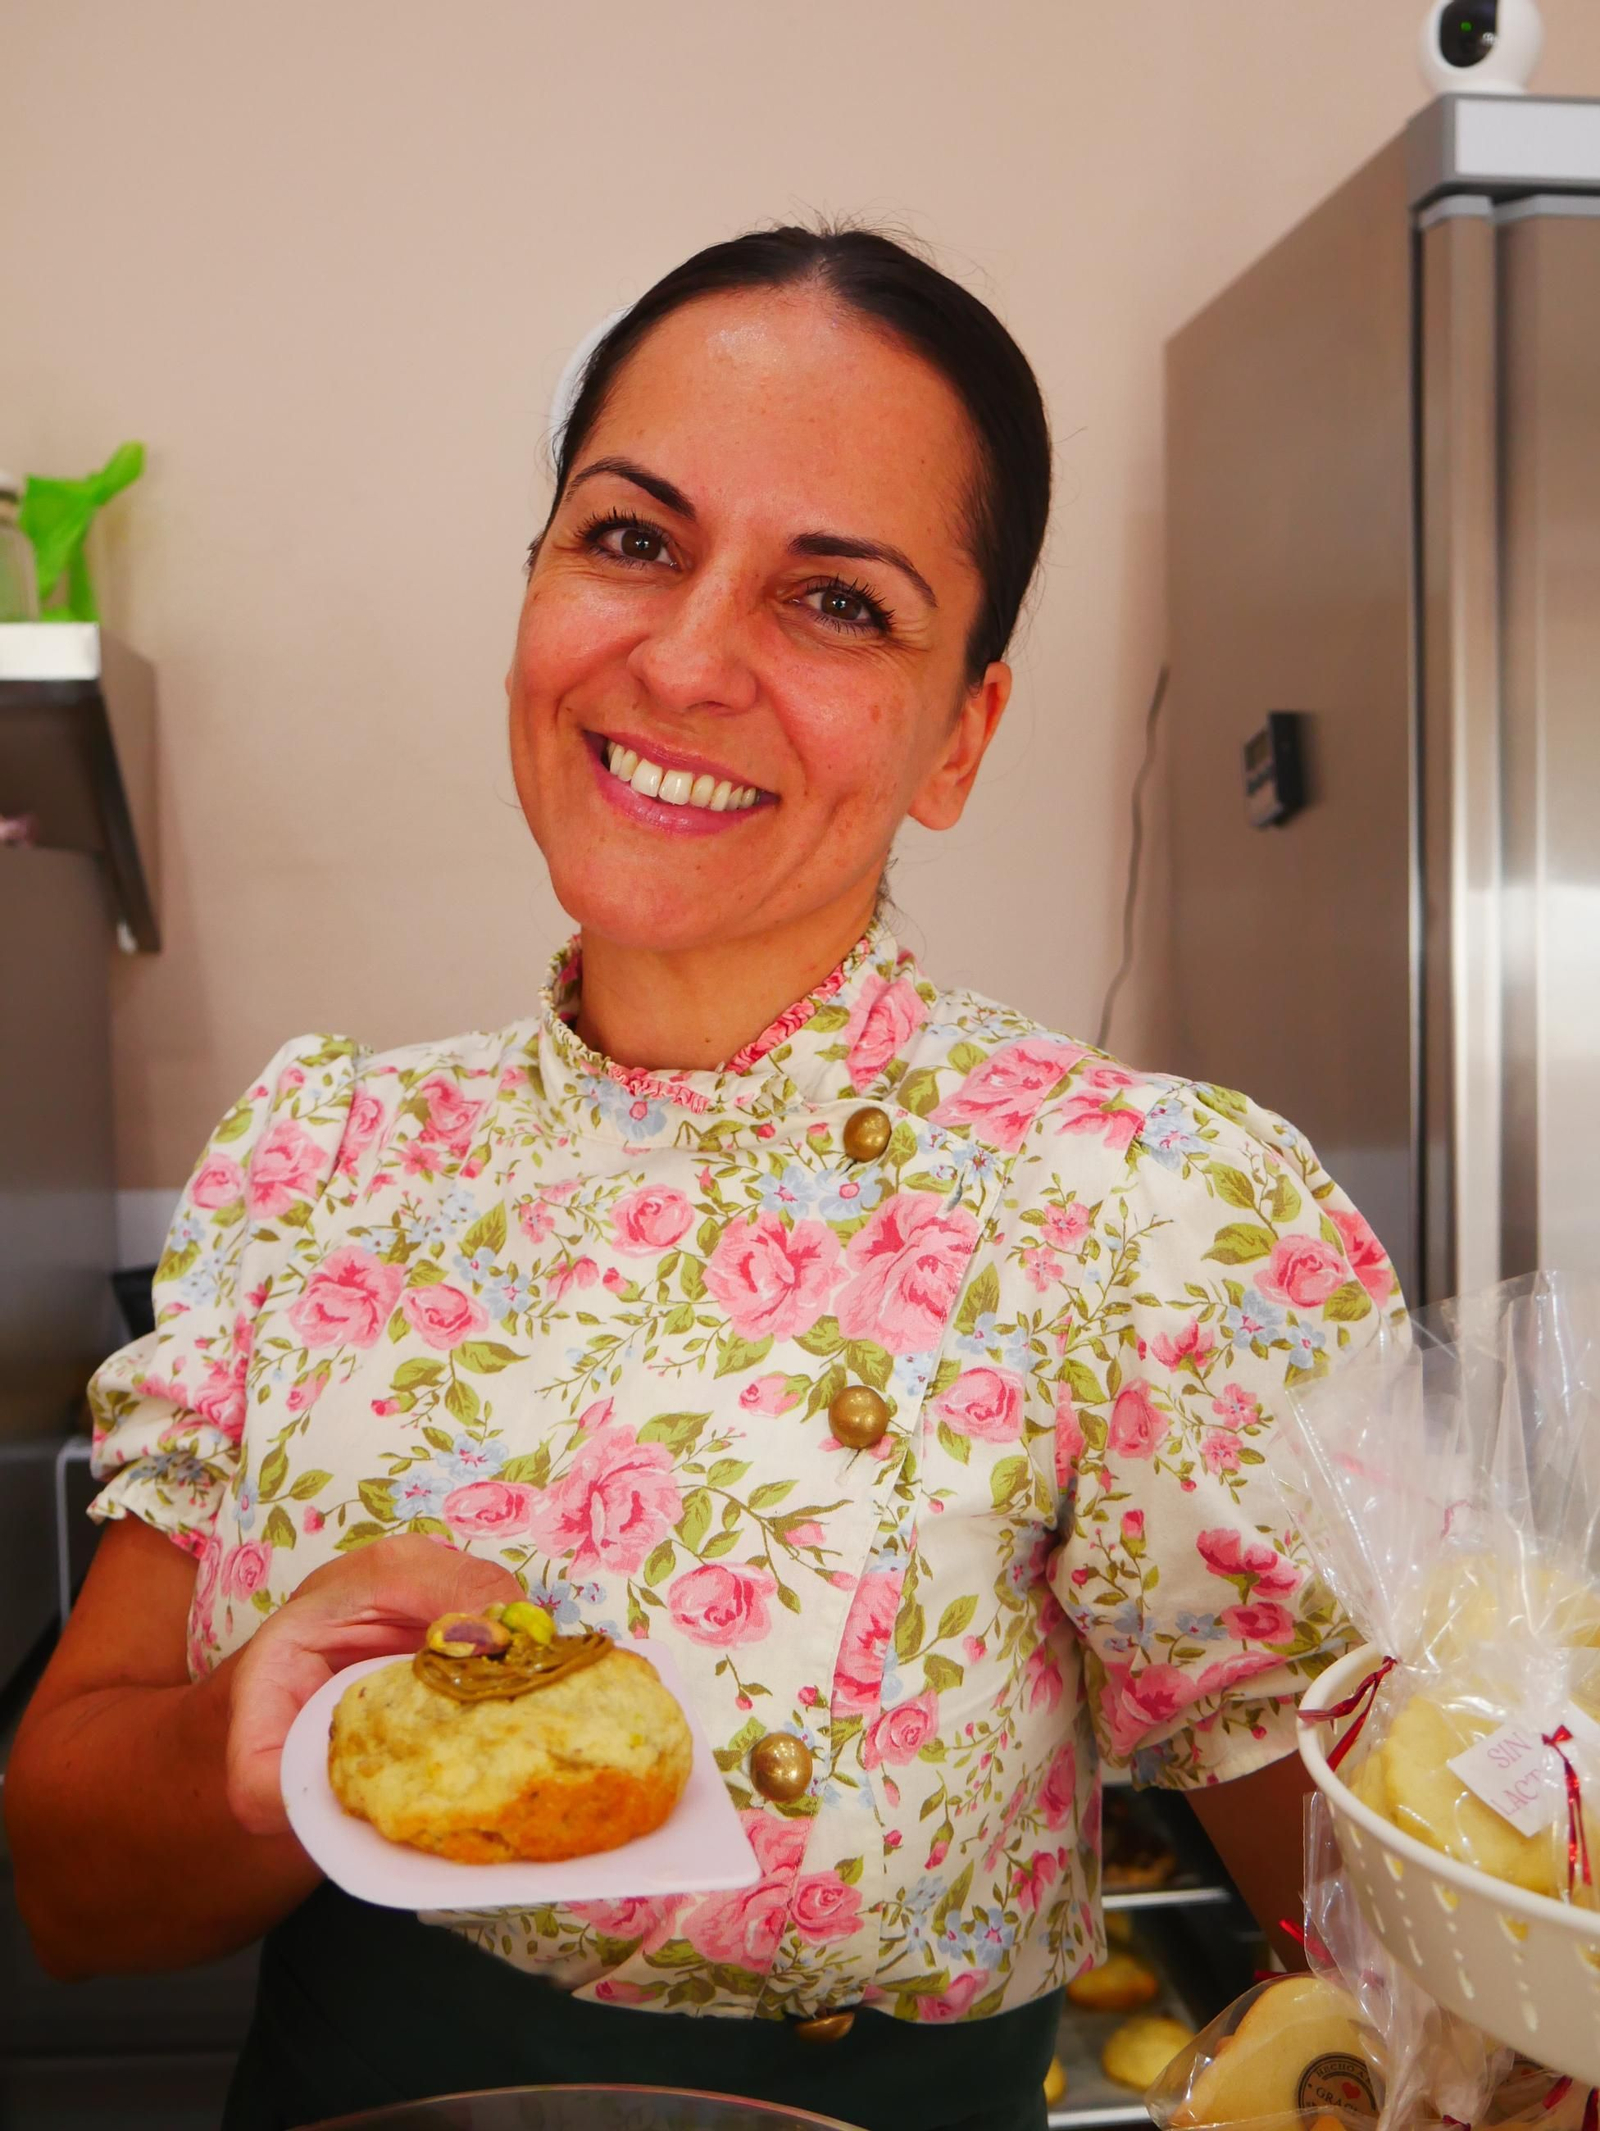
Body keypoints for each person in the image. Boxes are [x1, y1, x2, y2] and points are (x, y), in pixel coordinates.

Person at [6, 225, 1398, 2131]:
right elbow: (75, 1896)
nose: (681, 657)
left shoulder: (1142, 1212)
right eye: (634, 539)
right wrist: (252, 1748)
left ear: (961, 734)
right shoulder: (324, 1156)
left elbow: (1412, 1949)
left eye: (838, 602)